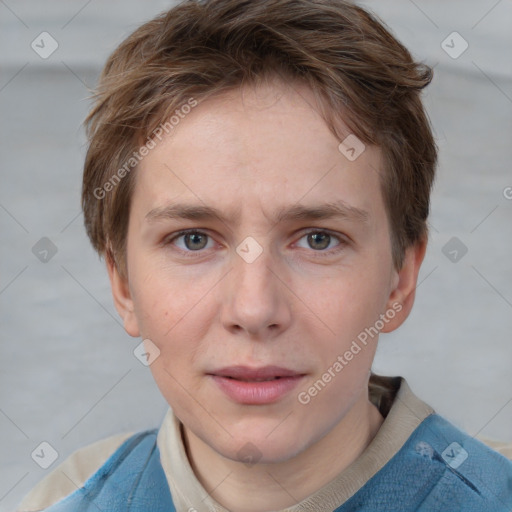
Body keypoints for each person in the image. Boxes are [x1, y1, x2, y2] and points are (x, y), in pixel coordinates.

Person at [17, 0, 512, 510]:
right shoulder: (63, 499)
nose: (254, 311)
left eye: (318, 239)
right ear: (122, 284)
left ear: (400, 279)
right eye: (194, 239)